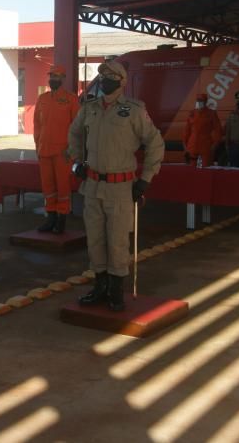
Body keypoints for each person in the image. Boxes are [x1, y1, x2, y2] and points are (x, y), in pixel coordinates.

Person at [68, 61, 165, 311]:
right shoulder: (89, 108)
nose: (103, 81)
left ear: (122, 82)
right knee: (95, 240)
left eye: (110, 77)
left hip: (121, 188)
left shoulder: (133, 110)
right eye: (101, 77)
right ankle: (99, 286)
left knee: (117, 241)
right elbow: (74, 134)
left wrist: (145, 179)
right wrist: (77, 160)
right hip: (92, 186)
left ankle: (115, 290)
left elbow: (155, 143)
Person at [33, 65, 80, 234]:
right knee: (48, 186)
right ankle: (50, 217)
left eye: (57, 76)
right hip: (44, 150)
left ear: (63, 78)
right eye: (52, 76)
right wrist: (37, 146)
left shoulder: (71, 99)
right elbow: (37, 125)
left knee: (62, 187)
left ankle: (61, 219)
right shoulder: (42, 99)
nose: (54, 79)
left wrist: (73, 150)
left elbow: (77, 127)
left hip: (63, 152)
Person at [184, 93, 222, 167]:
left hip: (205, 146)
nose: (199, 102)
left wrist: (215, 144)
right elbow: (186, 131)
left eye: (201, 100)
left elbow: (218, 130)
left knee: (205, 168)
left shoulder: (211, 114)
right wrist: (185, 145)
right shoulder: (192, 113)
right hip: (192, 146)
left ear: (205, 102)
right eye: (198, 100)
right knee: (192, 169)